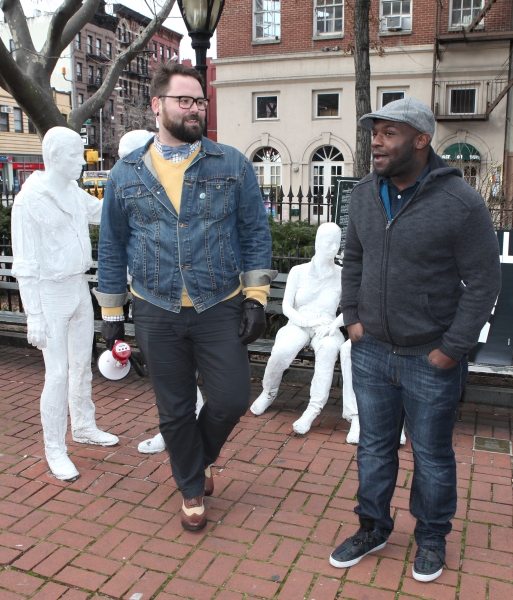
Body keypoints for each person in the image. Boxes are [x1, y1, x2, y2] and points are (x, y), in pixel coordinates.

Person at [95, 63, 275, 531]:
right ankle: (192, 486)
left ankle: (196, 456)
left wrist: (256, 298)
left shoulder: (231, 163)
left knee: (232, 398)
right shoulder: (125, 174)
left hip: (220, 304)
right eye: (185, 100)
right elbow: (112, 246)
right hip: (156, 308)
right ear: (157, 106)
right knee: (173, 409)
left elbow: (256, 232)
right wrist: (112, 314)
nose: (195, 108)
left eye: (200, 101)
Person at [330, 98, 501, 582]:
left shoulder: (459, 202)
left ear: (421, 141)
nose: (377, 142)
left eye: (389, 133)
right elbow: (354, 258)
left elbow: (484, 282)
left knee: (431, 454)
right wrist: (352, 318)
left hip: (431, 357)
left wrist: (452, 348)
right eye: (374, 133)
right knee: (374, 448)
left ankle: (431, 537)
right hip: (372, 351)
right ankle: (373, 527)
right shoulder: (364, 193)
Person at [11, 127, 119, 482]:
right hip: (49, 294)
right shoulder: (30, 200)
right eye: (75, 155)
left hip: (76, 287)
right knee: (56, 375)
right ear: (55, 157)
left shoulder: (71, 191)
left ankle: (84, 426)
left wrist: (125, 188)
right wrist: (35, 315)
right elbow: (24, 264)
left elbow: (101, 212)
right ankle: (54, 448)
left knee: (80, 366)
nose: (82, 162)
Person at [250, 223, 344, 434]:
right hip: (299, 323)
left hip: (327, 326)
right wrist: (307, 322)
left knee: (329, 349)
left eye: (337, 243)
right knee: (282, 350)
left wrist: (333, 326)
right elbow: (286, 307)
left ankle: (313, 409)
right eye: (329, 242)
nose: (333, 248)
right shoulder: (298, 271)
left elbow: (353, 308)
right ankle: (269, 392)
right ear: (318, 242)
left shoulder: (342, 274)